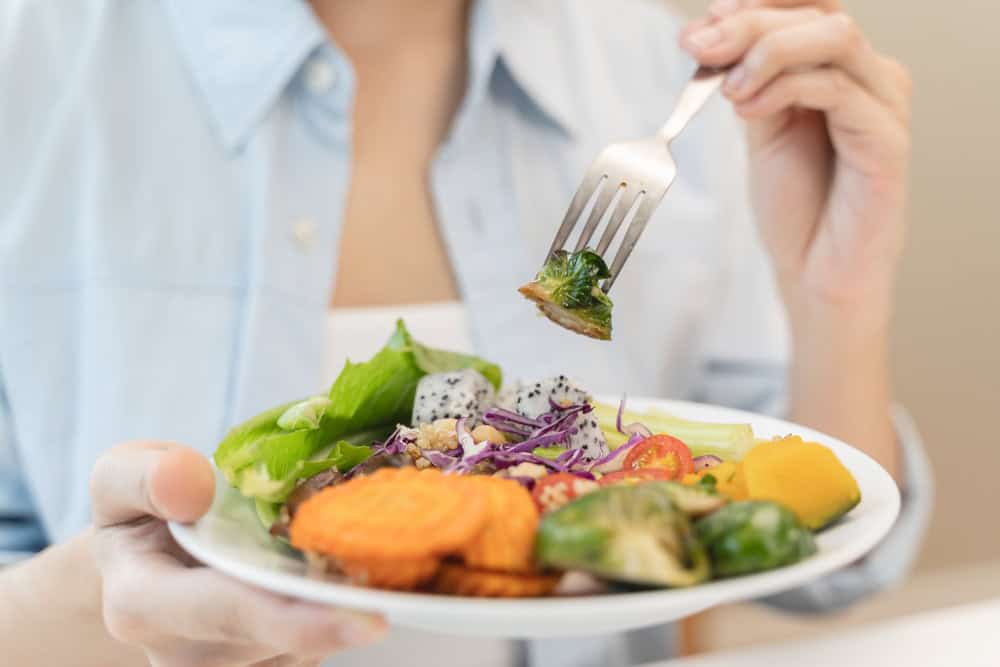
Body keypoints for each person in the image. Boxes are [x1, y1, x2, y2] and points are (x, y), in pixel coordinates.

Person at [0, 0, 932, 665]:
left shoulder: (673, 64)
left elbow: (815, 553)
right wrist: (94, 606)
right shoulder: (30, 63)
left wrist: (833, 301)